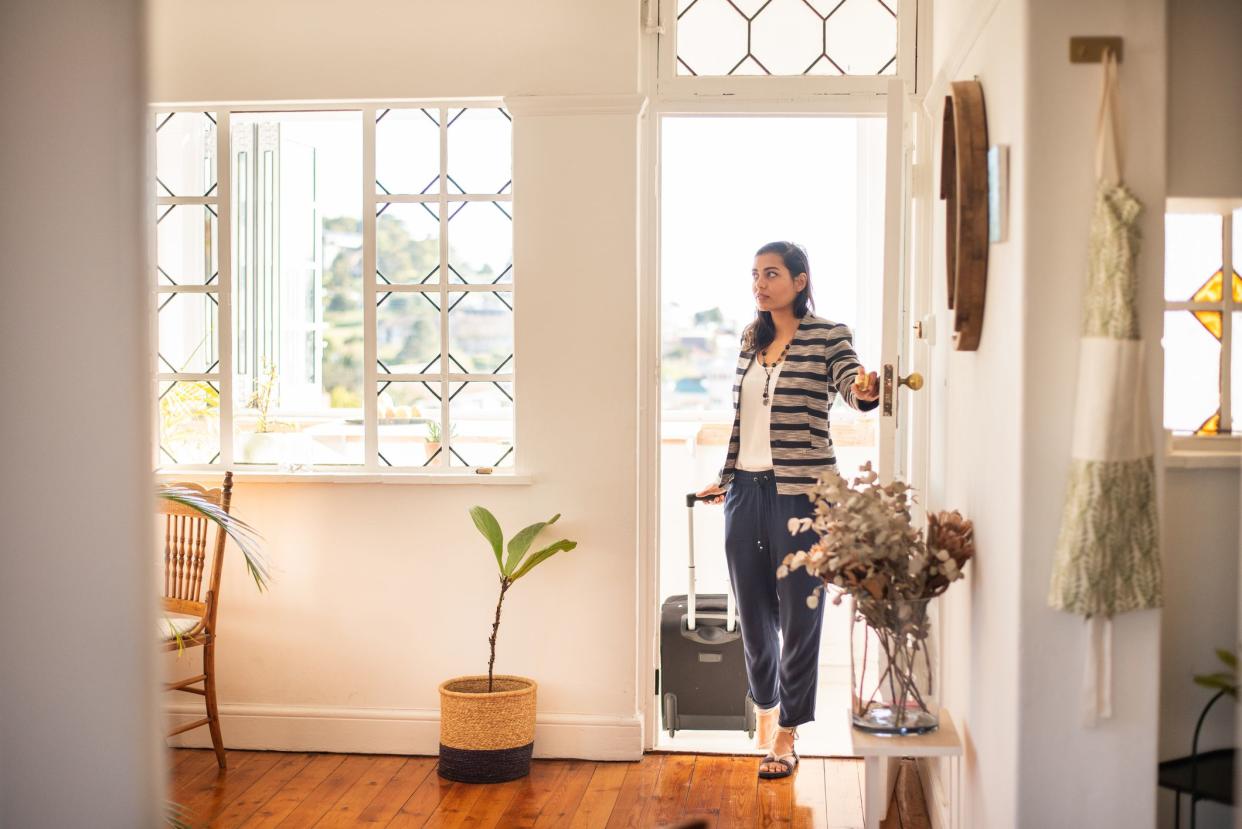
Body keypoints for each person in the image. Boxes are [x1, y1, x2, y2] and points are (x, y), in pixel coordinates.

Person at [695, 241, 879, 779]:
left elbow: (852, 385)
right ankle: (766, 706)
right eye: (754, 274)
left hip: (802, 495)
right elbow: (744, 421)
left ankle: (788, 732)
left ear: (799, 281)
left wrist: (866, 389)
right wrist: (727, 478)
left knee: (801, 613)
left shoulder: (829, 335)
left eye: (771, 273)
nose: (760, 283)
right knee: (752, 613)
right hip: (745, 493)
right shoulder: (752, 341)